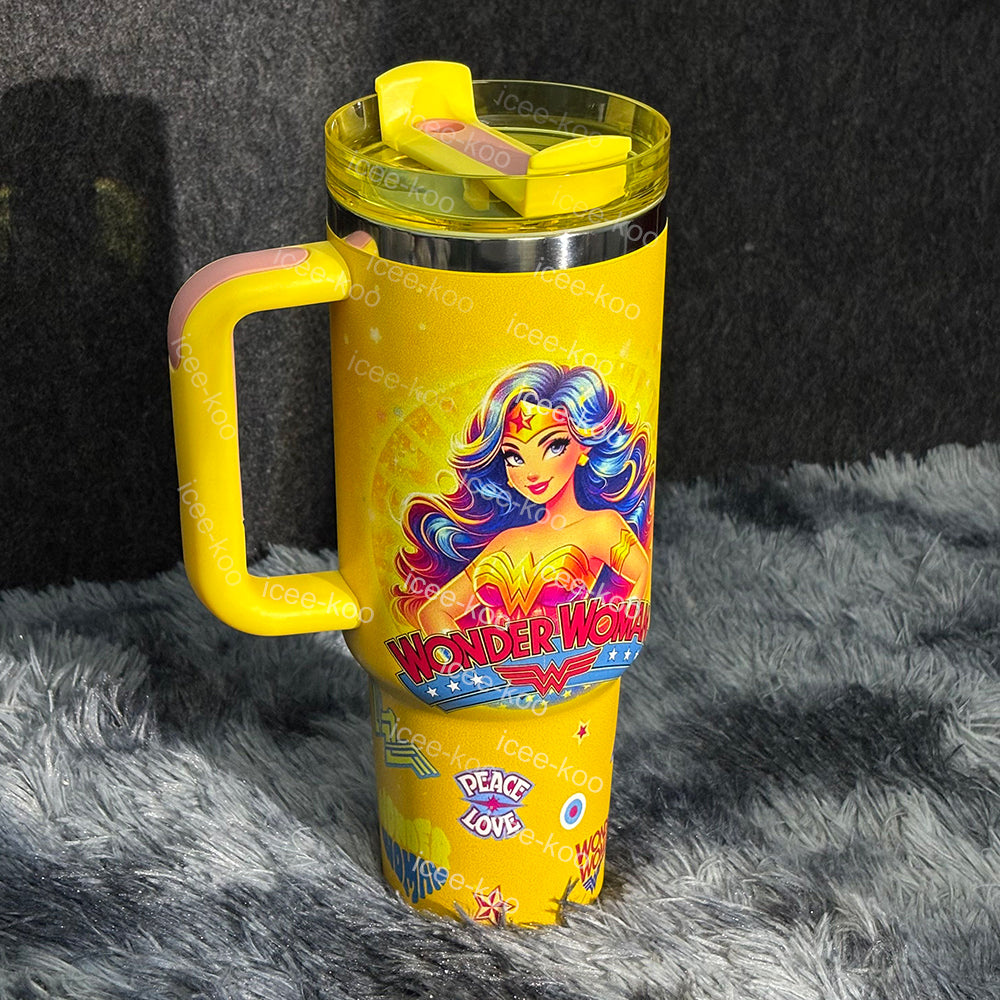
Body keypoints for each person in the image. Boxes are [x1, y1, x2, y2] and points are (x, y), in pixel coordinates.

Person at [392, 361, 653, 634]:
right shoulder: (505, 541)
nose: (532, 473)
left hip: (575, 658)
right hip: (494, 659)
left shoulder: (601, 526)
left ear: (583, 445)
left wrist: (614, 640)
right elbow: (433, 611)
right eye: (514, 456)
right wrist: (464, 658)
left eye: (554, 446)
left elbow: (641, 573)